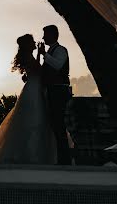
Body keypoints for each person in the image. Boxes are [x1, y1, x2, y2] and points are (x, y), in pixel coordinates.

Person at [0, 34, 56, 164]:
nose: (35, 42)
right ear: (28, 44)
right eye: (33, 42)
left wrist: (39, 56)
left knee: (33, 120)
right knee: (35, 119)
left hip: (33, 88)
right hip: (33, 90)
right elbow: (39, 71)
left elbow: (34, 71)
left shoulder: (28, 57)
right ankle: (32, 154)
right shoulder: (28, 57)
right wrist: (41, 54)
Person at [38, 24, 72, 165]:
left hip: (59, 90)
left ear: (53, 35)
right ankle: (60, 157)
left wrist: (44, 54)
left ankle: (64, 159)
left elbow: (57, 65)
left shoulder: (61, 50)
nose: (43, 37)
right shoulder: (51, 51)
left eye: (45, 34)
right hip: (52, 90)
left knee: (58, 123)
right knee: (54, 123)